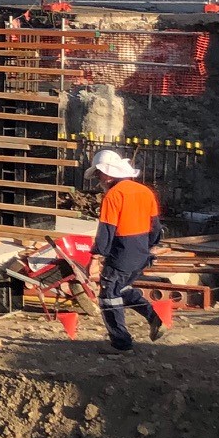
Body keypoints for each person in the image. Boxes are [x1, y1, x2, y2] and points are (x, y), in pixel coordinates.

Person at [86, 148, 166, 353]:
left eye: (99, 173)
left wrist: (96, 256)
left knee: (109, 294)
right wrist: (149, 247)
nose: (98, 178)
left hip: (121, 252)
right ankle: (153, 317)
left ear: (108, 173)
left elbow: (106, 230)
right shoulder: (145, 191)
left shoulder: (113, 195)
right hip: (141, 252)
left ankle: (121, 344)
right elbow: (155, 227)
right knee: (122, 289)